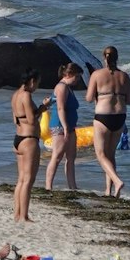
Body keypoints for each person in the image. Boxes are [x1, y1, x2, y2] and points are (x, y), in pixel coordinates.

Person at [85, 46, 130, 198]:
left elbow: (89, 98)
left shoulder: (97, 74)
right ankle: (108, 191)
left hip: (103, 117)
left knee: (100, 154)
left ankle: (117, 182)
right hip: (120, 117)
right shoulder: (124, 76)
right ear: (117, 58)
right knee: (111, 155)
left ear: (104, 58)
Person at [44, 63, 82, 192]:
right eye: (76, 77)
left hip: (70, 126)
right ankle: (48, 186)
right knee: (57, 156)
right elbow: (60, 108)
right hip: (60, 126)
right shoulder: (61, 87)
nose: (77, 80)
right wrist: (65, 127)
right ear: (68, 75)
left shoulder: (68, 87)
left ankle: (72, 186)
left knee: (71, 157)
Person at [10, 72, 41, 222]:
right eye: (37, 83)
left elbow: (15, 120)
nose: (37, 87)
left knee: (21, 179)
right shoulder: (26, 95)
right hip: (29, 140)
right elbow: (31, 120)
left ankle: (17, 213)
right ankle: (24, 215)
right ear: (32, 81)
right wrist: (43, 108)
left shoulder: (15, 95)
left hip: (18, 138)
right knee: (28, 180)